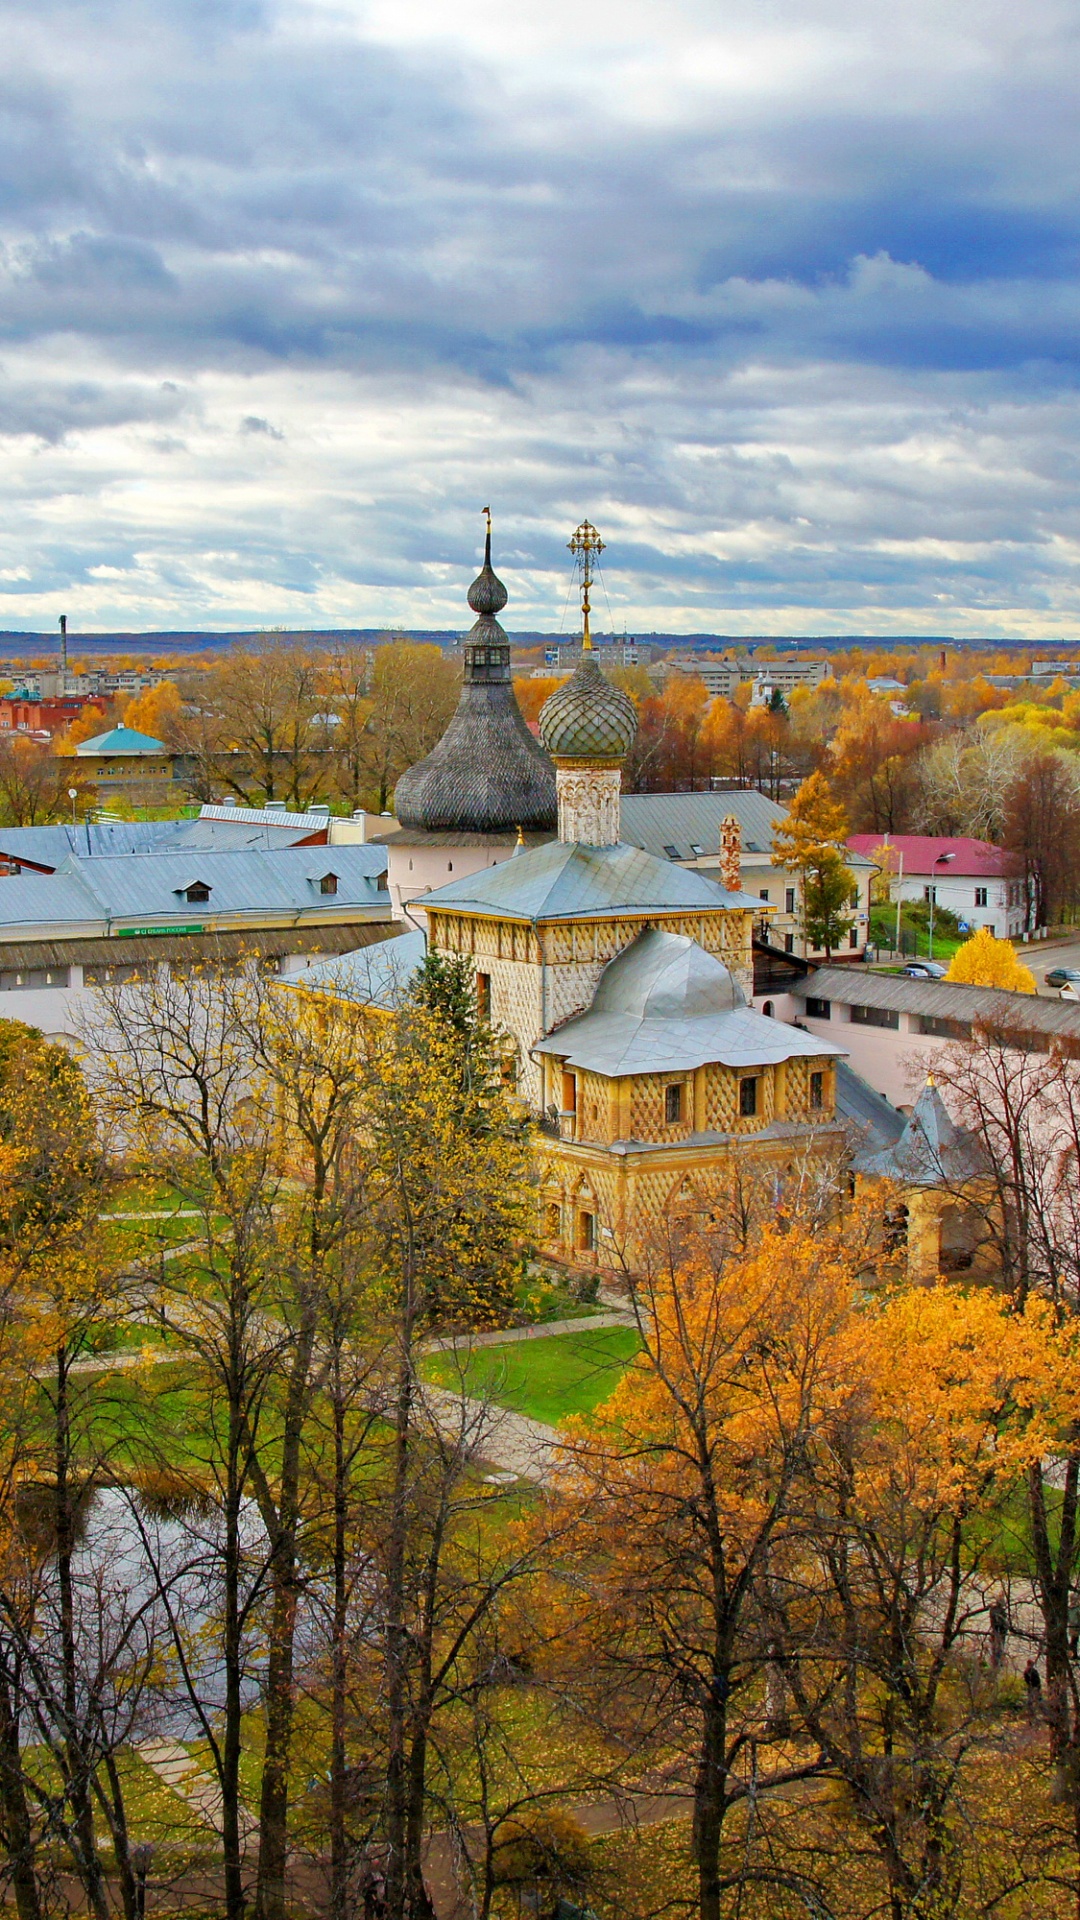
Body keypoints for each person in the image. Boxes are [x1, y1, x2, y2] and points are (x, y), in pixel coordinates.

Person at [988, 1597, 1008, 1670]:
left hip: (1001, 1630)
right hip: (997, 1630)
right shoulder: (995, 1610)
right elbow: (996, 1621)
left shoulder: (1001, 1610)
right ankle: (996, 1662)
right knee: (997, 1647)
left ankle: (998, 1661)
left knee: (1000, 1647)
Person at [1023, 1659, 1043, 1725]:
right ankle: (1041, 1713)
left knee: (1030, 1702)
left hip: (1030, 1688)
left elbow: (1026, 1680)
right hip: (1035, 1688)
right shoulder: (1033, 1671)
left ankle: (1031, 1717)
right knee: (1039, 1701)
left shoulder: (1025, 1671)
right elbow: (1037, 1680)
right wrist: (1038, 1687)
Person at [1069, 1594, 1080, 1660]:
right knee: (1074, 1641)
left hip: (1072, 1627)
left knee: (1074, 1641)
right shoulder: (1076, 1609)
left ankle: (1073, 1654)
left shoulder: (1069, 1609)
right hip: (1076, 1627)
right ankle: (1073, 1655)